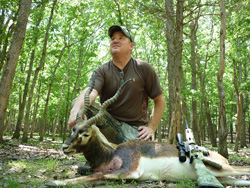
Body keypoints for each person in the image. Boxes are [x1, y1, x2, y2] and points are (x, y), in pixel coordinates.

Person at [68, 25, 165, 144]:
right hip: (108, 127)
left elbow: (160, 100)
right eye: (113, 38)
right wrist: (74, 111)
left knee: (144, 157)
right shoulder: (102, 70)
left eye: (121, 38)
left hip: (135, 130)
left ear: (131, 46)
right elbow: (90, 91)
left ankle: (117, 150)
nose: (115, 40)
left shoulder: (143, 68)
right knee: (77, 104)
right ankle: (93, 149)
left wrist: (151, 128)